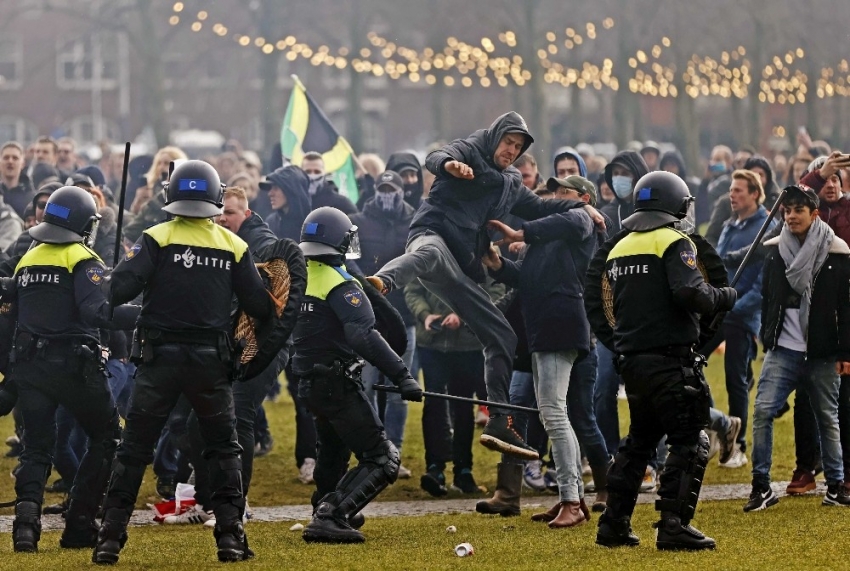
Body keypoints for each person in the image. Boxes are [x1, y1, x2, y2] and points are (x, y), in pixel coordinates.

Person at [368, 111, 603, 459]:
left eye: (518, 147)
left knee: (502, 335)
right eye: (508, 143)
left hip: (461, 266)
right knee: (428, 253)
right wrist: (451, 166)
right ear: (496, 137)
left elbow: (539, 207)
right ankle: (380, 284)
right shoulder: (473, 148)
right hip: (432, 234)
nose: (511, 151)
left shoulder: (511, 183)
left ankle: (498, 418)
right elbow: (434, 158)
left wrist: (583, 210)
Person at [94, 160, 274, 564]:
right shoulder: (234, 246)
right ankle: (230, 538)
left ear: (171, 196)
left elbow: (118, 292)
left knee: (134, 450)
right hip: (211, 364)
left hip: (159, 362)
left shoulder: (155, 237)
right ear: (215, 197)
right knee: (223, 450)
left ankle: (109, 539)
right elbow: (259, 306)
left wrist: (110, 272)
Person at [594, 171, 737, 550]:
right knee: (690, 441)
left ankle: (613, 525)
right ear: (675, 204)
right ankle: (673, 525)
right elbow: (692, 294)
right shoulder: (675, 241)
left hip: (632, 362)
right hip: (671, 362)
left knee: (638, 444)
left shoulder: (620, 248)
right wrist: (724, 295)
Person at [3, 186, 139, 553]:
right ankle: (80, 522)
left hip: (30, 368)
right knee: (107, 436)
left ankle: (25, 529)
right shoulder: (84, 258)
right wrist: (144, 314)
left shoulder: (27, 259)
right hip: (76, 368)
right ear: (85, 224)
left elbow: (10, 319)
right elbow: (96, 312)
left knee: (36, 449)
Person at [292, 207, 422, 543]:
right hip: (337, 383)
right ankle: (332, 515)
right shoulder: (341, 283)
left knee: (333, 451)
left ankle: (326, 502)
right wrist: (402, 375)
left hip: (311, 384)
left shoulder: (302, 277)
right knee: (382, 458)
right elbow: (363, 335)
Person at [484, 175, 608, 527]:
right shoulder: (553, 237)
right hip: (544, 326)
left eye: (563, 192)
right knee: (552, 412)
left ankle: (571, 500)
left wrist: (518, 233)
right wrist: (496, 263)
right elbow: (525, 278)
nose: (554, 197)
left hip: (559, 324)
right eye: (553, 192)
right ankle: (573, 498)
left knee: (554, 412)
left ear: (583, 198)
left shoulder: (583, 216)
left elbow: (562, 218)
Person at [745, 185, 850, 512]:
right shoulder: (774, 251)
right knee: (763, 411)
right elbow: (767, 297)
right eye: (787, 210)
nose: (791, 216)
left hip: (822, 352)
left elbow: (845, 307)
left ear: (814, 213)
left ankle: (836, 485)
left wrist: (845, 352)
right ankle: (761, 486)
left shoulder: (837, 251)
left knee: (827, 418)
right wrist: (767, 336)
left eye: (798, 210)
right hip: (782, 351)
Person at [701, 170, 774, 468]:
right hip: (718, 310)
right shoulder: (730, 225)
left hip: (742, 317)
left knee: (736, 379)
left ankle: (738, 445)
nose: (732, 195)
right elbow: (719, 264)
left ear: (755, 193)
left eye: (739, 191)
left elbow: (760, 284)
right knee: (692, 361)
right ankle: (717, 423)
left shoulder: (767, 227)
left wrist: (733, 307)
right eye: (731, 190)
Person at [351, 171, 417, 479]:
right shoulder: (359, 222)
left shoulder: (415, 222)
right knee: (363, 387)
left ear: (402, 191)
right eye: (382, 188)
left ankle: (395, 453)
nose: (387, 193)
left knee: (397, 390)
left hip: (403, 317)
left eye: (392, 188)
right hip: (368, 317)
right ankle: (372, 451)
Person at [124, 146, 188, 242]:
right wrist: (138, 202)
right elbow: (132, 229)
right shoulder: (148, 188)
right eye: (159, 163)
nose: (161, 167)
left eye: (166, 163)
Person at [261, 165, 312, 242]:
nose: (270, 193)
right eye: (270, 188)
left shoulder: (313, 224)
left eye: (276, 188)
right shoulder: (271, 223)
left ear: (291, 190)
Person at [1, 141, 35, 218]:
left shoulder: (31, 199)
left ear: (22, 164)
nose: (10, 161)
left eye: (15, 158)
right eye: (6, 157)